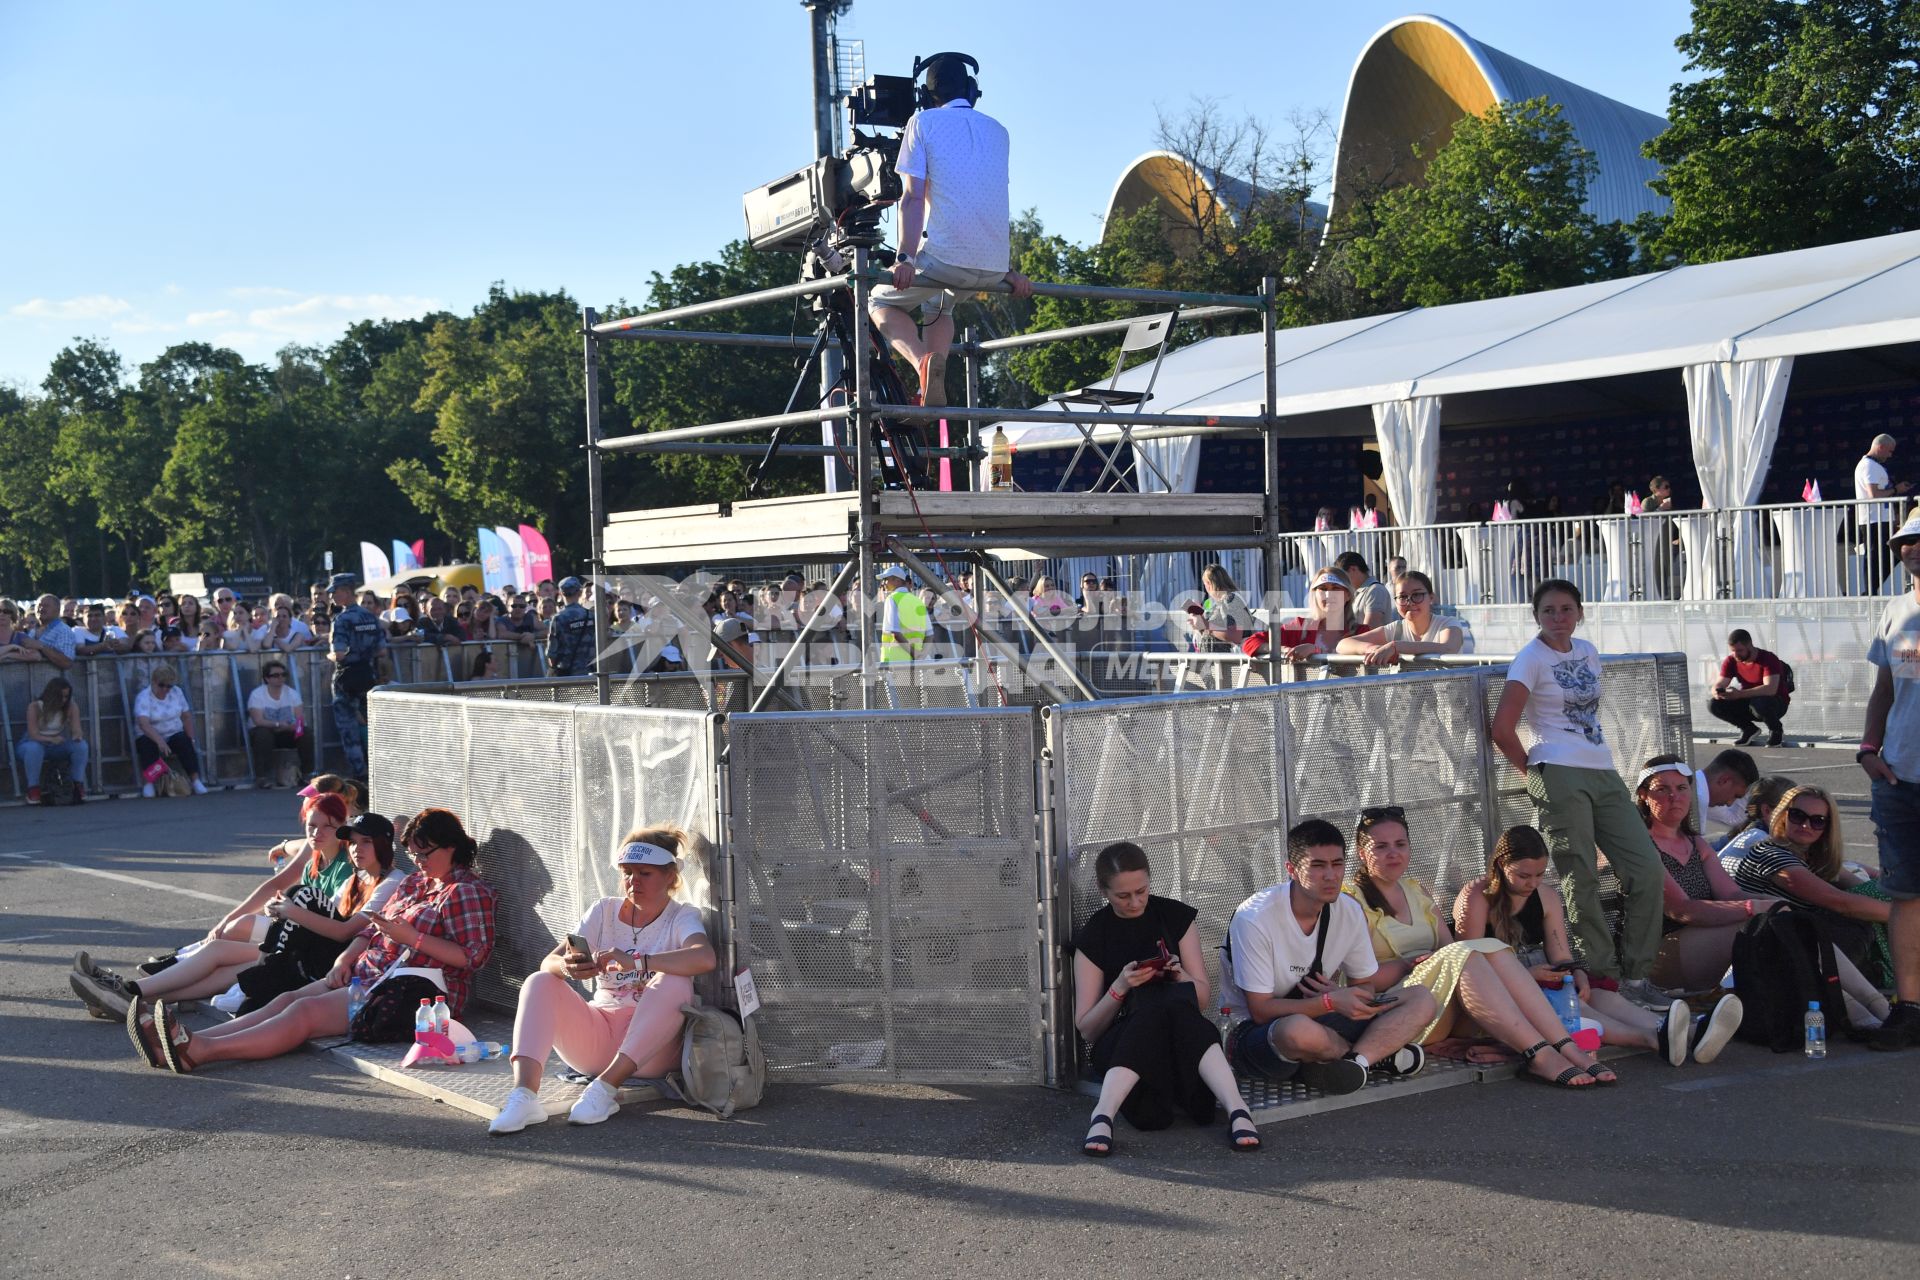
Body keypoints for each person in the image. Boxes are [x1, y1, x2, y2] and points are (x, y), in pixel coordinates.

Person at [130, 808, 496, 1074]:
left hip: (412, 992)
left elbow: (472, 957)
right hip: (372, 974)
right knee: (287, 999)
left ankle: (199, 1050)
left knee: (302, 1013)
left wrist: (411, 938)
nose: (417, 861)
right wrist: (345, 960)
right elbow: (371, 929)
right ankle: (187, 1041)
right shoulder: (417, 883)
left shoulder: (465, 891)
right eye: (414, 853)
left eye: (424, 852)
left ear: (450, 847)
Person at [1345, 808, 1621, 1088]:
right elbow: (1360, 982)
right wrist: (1409, 963)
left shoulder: (1417, 891)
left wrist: (1439, 959)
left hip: (1443, 1000)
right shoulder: (1351, 902)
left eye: (1400, 844)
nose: (1394, 853)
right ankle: (1540, 1053)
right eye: (1381, 846)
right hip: (1399, 1012)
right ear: (1361, 852)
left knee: (1479, 951)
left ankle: (1565, 1046)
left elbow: (1450, 949)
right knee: (1469, 951)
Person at [1490, 579, 1668, 1010]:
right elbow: (1502, 727)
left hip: (1601, 767)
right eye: (1548, 611)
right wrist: (1535, 772)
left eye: (1566, 609)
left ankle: (1637, 975)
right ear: (1536, 616)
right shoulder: (1530, 658)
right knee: (1580, 874)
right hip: (1558, 769)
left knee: (1646, 870)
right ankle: (1605, 976)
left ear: (1579, 612)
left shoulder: (1588, 650)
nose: (1557, 618)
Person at [489, 830, 717, 1134]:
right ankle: (524, 1096)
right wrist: (569, 968)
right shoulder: (603, 909)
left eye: (644, 874)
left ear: (670, 876)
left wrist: (638, 962)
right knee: (539, 981)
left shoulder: (681, 915)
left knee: (676, 982)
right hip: (596, 1040)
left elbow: (704, 958)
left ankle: (604, 1090)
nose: (633, 882)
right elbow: (549, 961)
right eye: (627, 873)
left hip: (652, 1052)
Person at [70, 794, 356, 1018]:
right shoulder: (315, 856)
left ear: (343, 828)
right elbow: (292, 864)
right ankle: (134, 999)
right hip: (292, 945)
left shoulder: (349, 867)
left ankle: (128, 992)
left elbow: (335, 925)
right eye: (312, 826)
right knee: (222, 961)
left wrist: (288, 911)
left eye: (327, 827)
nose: (317, 833)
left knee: (223, 950)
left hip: (308, 957)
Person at [1454, 827, 1719, 1066]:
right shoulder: (1478, 896)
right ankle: (1654, 1038)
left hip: (1542, 970)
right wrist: (1528, 977)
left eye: (1539, 874)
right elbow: (1471, 963)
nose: (1532, 883)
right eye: (1523, 876)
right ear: (1501, 865)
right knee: (1575, 1008)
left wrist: (1575, 973)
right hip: (1501, 981)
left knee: (1599, 996)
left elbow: (1560, 953)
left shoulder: (1545, 896)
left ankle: (1692, 1031)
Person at [1224, 819, 1437, 1097]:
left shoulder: (1349, 910)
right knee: (1298, 1031)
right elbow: (1261, 1011)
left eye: (1337, 864)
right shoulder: (1254, 918)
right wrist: (1328, 1002)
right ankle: (1368, 1056)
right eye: (1317, 866)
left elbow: (1365, 985)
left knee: (1420, 998)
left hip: (1322, 1015)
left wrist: (1345, 995)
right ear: (1292, 870)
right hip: (1256, 1033)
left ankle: (1351, 1064)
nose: (1330, 875)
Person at [866, 52, 1032, 406]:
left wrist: (905, 259)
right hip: (992, 268)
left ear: (926, 98)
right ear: (972, 90)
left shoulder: (922, 123)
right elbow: (986, 197)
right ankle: (930, 389)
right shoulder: (999, 131)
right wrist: (1009, 270)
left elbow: (911, 199)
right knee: (941, 305)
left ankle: (922, 362)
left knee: (879, 303)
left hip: (947, 260)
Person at [1072, 842, 1260, 1155]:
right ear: (1102, 891)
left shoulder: (1174, 916)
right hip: (1124, 1041)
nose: (1135, 902)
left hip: (1181, 1039)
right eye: (1123, 896)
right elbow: (1088, 1030)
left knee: (1172, 1007)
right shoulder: (1096, 934)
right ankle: (1103, 1113)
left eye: (1141, 891)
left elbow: (1200, 999)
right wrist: (1120, 987)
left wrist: (1180, 975)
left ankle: (1238, 1110)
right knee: (1152, 1011)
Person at [1632, 756, 1775, 991]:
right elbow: (1681, 909)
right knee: (1759, 927)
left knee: (1791, 921)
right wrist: (1753, 908)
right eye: (1662, 789)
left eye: (1681, 788)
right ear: (1643, 795)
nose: (1673, 797)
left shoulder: (1696, 843)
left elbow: (1731, 894)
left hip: (1700, 943)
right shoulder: (1640, 844)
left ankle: (1853, 1004)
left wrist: (1779, 904)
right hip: (1658, 952)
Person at [1860, 507, 1920, 1048]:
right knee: (1905, 895)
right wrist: (1867, 749)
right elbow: (1884, 689)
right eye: (1906, 541)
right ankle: (1910, 1006)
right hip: (1901, 775)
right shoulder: (1896, 609)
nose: (1914, 548)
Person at [326, 572, 388, 779]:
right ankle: (379, 772)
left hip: (346, 679)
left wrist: (329, 655)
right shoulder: (371, 616)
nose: (332, 597)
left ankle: (360, 776)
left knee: (349, 731)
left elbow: (340, 653)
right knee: (372, 727)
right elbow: (381, 650)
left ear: (345, 591)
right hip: (368, 676)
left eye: (335, 592)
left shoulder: (342, 619)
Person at [1336, 569, 1468, 666]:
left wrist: (1396, 647)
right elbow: (1342, 645)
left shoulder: (1449, 623)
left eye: (1417, 595)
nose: (1410, 602)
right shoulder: (1396, 628)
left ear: (1431, 598)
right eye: (1403, 597)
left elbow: (1448, 648)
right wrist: (1374, 649)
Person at [132, 664, 206, 797]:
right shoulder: (143, 697)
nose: (165, 689)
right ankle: (149, 783)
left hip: (173, 732)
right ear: (154, 682)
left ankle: (195, 780)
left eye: (169, 686)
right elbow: (144, 724)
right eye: (162, 685)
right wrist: (160, 741)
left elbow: (186, 716)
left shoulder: (177, 692)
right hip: (149, 733)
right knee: (147, 745)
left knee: (185, 742)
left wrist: (191, 738)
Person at [1707, 630, 1790, 746]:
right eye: (1733, 651)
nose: (1736, 655)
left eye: (1740, 650)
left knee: (1759, 702)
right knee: (1714, 704)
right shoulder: (1731, 661)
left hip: (1775, 703)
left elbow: (1770, 689)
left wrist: (1739, 694)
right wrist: (1717, 691)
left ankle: (1776, 730)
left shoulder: (1768, 659)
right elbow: (1720, 683)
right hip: (1750, 703)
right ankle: (1748, 729)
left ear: (1750, 645)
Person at [17, 675, 88, 805]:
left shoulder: (71, 706)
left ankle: (77, 785)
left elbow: (77, 729)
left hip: (55, 745)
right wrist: (51, 739)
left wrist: (77, 735)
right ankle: (33, 789)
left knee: (81, 746)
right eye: (61, 696)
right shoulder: (35, 707)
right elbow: (33, 734)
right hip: (32, 743)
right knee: (34, 748)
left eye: (66, 696)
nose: (64, 700)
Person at [247, 659, 313, 787]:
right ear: (267, 678)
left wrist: (290, 727)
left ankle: (307, 774)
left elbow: (300, 721)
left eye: (283, 675)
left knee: (306, 733)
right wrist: (278, 725)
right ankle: (262, 777)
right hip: (263, 732)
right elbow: (258, 720)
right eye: (275, 675)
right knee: (263, 734)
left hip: (286, 731)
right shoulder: (257, 694)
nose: (280, 678)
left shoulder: (292, 694)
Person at [1717, 774, 1798, 869]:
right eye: (1794, 812)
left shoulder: (1750, 831)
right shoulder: (1761, 841)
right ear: (1767, 811)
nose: (1801, 820)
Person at [1279, 568, 1355, 661]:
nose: (1328, 594)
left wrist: (1316, 650)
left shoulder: (1361, 631)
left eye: (1335, 588)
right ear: (1315, 594)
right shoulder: (1301, 626)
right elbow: (1257, 640)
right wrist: (1285, 650)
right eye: (1323, 589)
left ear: (1348, 595)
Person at [1698, 747, 1760, 835]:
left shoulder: (1699, 790)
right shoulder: (1697, 798)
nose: (1729, 803)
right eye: (1735, 796)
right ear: (1724, 780)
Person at [545, 575, 595, 676]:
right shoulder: (590, 615)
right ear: (580, 592)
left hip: (567, 674)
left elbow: (552, 654)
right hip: (590, 672)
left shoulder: (558, 618)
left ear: (561, 593)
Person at [878, 565, 928, 664]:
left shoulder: (892, 598)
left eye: (886, 579)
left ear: (897, 580)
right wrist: (920, 654)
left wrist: (914, 653)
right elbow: (929, 633)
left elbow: (895, 633)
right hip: (916, 660)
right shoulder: (917, 601)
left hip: (895, 659)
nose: (883, 583)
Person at [17, 593, 76, 671]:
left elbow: (67, 662)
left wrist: (42, 647)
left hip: (55, 681)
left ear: (57, 610)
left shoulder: (63, 631)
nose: (41, 609)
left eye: (46, 606)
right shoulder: (32, 630)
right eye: (39, 606)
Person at [1334, 552, 1392, 630]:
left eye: (1343, 576)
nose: (1342, 580)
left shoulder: (1375, 590)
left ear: (1353, 569)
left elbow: (1370, 628)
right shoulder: (1355, 592)